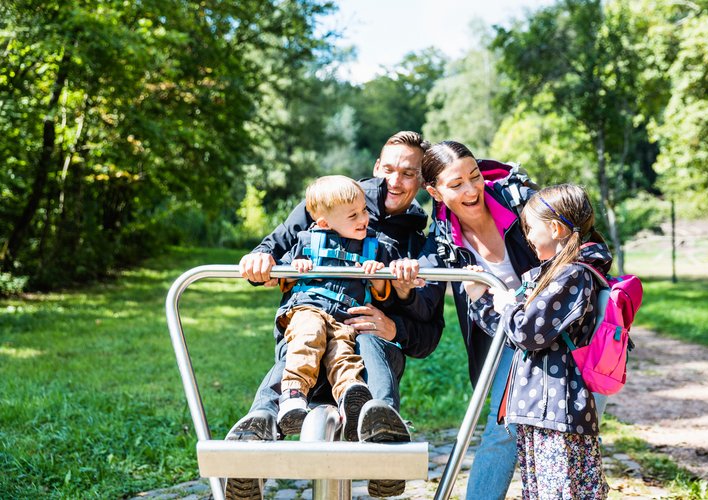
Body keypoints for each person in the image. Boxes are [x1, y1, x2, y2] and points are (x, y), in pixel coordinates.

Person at [226, 131, 444, 500]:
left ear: (422, 179)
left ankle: (383, 440)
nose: (395, 180)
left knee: (369, 337)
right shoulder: (335, 199)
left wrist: (395, 320)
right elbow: (278, 244)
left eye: (409, 173)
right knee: (306, 339)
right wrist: (263, 258)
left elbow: (428, 331)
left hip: (367, 348)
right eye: (388, 168)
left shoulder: (417, 240)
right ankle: (253, 449)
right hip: (314, 325)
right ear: (376, 167)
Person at [409, 140, 539, 500]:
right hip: (508, 339)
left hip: (561, 324)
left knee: (572, 427)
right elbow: (422, 296)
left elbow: (572, 240)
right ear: (435, 192)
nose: (471, 189)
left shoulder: (518, 199)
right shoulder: (442, 243)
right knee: (504, 428)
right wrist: (402, 285)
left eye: (475, 176)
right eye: (456, 184)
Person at [464, 184, 611, 499]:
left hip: (557, 414)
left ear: (555, 228)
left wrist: (508, 303)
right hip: (540, 410)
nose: (527, 236)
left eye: (530, 227)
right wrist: (480, 298)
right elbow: (513, 335)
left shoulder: (573, 276)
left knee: (560, 492)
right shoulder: (554, 276)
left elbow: (528, 333)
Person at [273, 176, 399, 440]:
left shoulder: (372, 247)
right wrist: (295, 269)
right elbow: (280, 278)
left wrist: (376, 276)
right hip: (308, 310)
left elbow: (381, 293)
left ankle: (350, 397)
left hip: (344, 318)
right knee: (308, 337)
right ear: (324, 223)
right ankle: (293, 396)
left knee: (343, 353)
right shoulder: (306, 242)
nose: (363, 219)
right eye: (353, 216)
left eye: (364, 210)